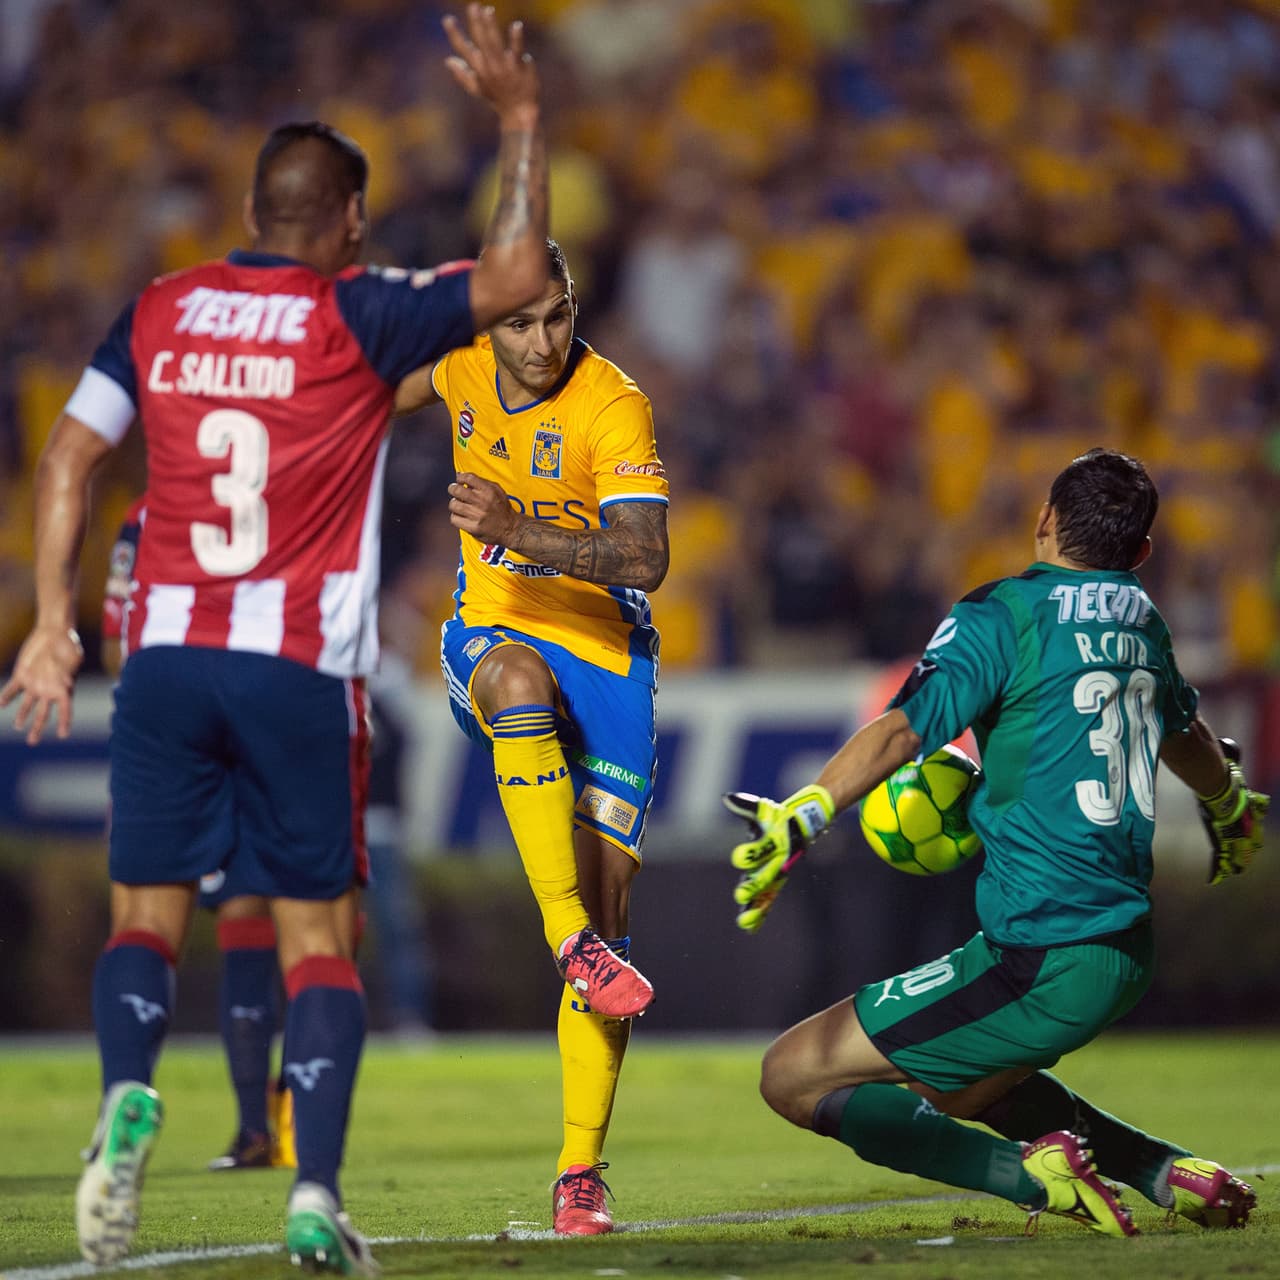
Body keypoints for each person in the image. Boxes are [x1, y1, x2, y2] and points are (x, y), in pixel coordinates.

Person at [0, 6, 550, 1273]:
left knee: (142, 916)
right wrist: (519, 119)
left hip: (163, 659)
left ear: (252, 208)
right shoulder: (358, 313)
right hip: (296, 667)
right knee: (318, 937)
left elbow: (67, 456)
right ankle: (312, 1192)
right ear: (348, 220)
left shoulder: (161, 308)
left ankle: (125, 1093)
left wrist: (50, 627)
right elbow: (517, 276)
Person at [724, 448, 1264, 1238]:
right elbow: (1187, 734)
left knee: (791, 1074)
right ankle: (1163, 1168)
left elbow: (905, 729)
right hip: (1120, 949)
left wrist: (807, 810)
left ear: (1044, 519)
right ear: (1141, 551)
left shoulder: (1003, 613)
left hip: (1042, 952)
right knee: (960, 1084)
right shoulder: (1142, 621)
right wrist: (1227, 802)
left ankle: (1030, 1176)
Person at [393, 237, 669, 1234]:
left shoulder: (613, 402)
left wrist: (518, 528)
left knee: (612, 898)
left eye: (557, 315)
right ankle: (567, 939)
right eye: (519, 323)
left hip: (607, 652)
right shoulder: (459, 365)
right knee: (514, 682)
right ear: (488, 323)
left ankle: (578, 1172)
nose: (544, 341)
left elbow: (646, 555)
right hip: (495, 628)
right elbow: (366, 393)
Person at [103, 497, 296, 1172]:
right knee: (266, 915)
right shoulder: (273, 490)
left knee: (145, 917)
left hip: (166, 717)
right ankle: (266, 1127)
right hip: (262, 706)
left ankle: (125, 1098)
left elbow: (117, 633)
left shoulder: (144, 516)